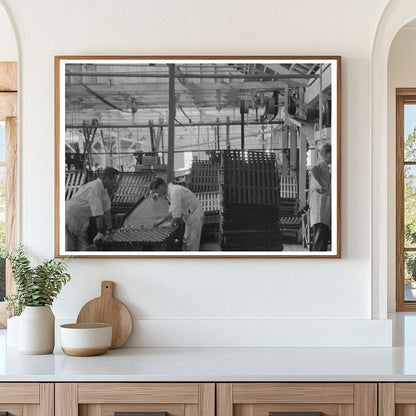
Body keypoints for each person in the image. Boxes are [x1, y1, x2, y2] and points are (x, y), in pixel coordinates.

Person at [65, 167, 120, 251]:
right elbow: (99, 214)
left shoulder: (103, 191)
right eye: (114, 181)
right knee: (70, 249)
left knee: (82, 249)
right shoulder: (95, 188)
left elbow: (107, 211)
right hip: (70, 218)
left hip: (81, 221)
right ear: (108, 179)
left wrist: (110, 230)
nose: (114, 183)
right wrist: (100, 232)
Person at [150, 178, 204, 251]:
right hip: (190, 215)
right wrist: (160, 222)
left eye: (157, 192)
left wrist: (169, 224)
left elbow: (176, 216)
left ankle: (191, 261)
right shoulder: (171, 192)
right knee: (187, 241)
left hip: (194, 216)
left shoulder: (174, 192)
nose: (158, 195)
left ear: (161, 187)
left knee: (191, 244)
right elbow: (173, 211)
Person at [309, 143, 331, 251]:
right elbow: (313, 170)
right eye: (331, 153)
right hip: (320, 210)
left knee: (322, 240)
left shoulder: (326, 167)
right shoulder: (321, 164)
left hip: (323, 209)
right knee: (320, 240)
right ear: (325, 154)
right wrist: (324, 184)